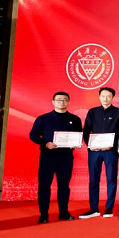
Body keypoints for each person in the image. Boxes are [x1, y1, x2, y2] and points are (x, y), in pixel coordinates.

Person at [28, 91, 82, 223]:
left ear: (69, 102)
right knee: (44, 185)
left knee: (64, 185)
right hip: (48, 157)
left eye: (65, 100)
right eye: (59, 100)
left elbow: (78, 135)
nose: (62, 102)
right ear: (53, 102)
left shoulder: (75, 119)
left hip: (66, 157)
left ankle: (63, 212)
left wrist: (76, 142)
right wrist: (45, 143)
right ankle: (44, 214)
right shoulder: (43, 118)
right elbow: (33, 135)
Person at [81, 86, 119, 218]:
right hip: (94, 151)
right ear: (99, 97)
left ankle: (109, 208)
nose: (105, 98)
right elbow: (86, 130)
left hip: (110, 151)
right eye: (103, 96)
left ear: (112, 97)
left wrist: (113, 145)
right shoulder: (92, 112)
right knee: (93, 179)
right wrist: (90, 145)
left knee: (111, 178)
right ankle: (93, 209)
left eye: (108, 96)